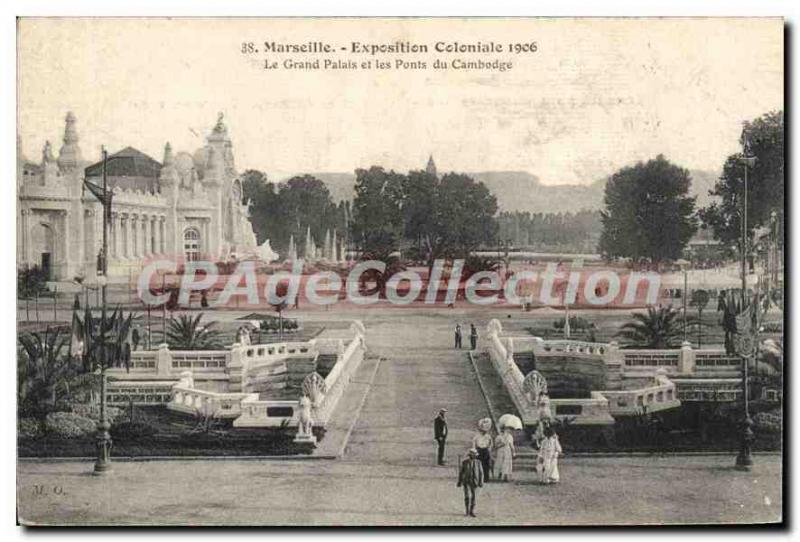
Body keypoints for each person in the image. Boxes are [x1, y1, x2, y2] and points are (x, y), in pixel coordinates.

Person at [457, 448, 484, 517]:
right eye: (472, 455)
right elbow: (461, 473)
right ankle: (467, 511)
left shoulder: (478, 462)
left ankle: (472, 511)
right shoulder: (465, 462)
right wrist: (459, 481)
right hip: (466, 481)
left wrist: (481, 482)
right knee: (467, 496)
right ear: (469, 455)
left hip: (475, 481)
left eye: (474, 455)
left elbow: (481, 473)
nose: (473, 456)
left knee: (474, 497)